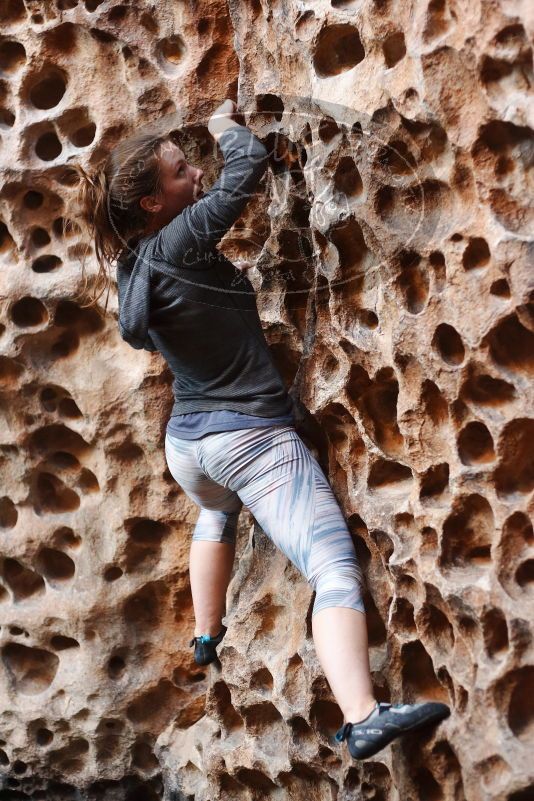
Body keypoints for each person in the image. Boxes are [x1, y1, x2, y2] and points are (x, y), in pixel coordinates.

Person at [73, 98, 450, 760]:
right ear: (155, 203)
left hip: (191, 447)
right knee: (333, 568)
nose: (194, 171)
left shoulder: (134, 264)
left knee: (216, 515)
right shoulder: (181, 239)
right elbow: (243, 164)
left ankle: (204, 633)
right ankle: (362, 713)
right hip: (250, 441)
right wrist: (225, 125)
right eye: (178, 169)